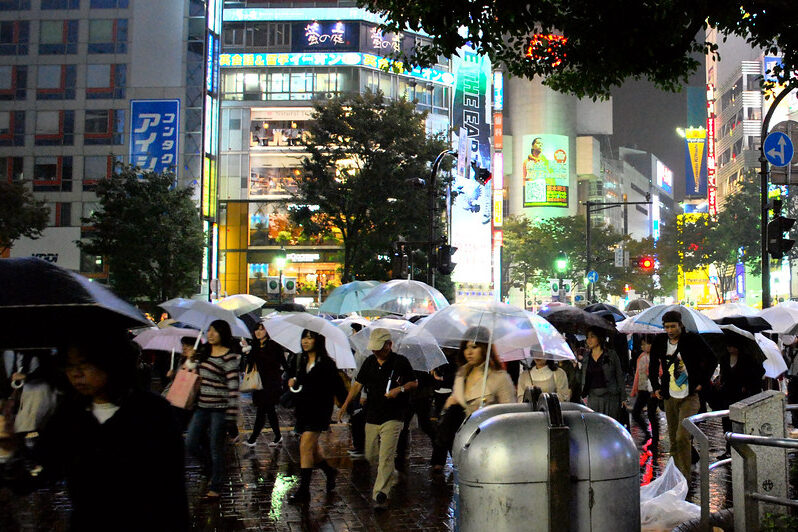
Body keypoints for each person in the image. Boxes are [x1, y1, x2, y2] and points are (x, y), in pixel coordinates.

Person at [35, 331, 189, 531]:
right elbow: (43, 472)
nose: (76, 373)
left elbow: (172, 488)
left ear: (110, 362)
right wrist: (8, 451)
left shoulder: (153, 412)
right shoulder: (68, 414)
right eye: (70, 365)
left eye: (84, 364)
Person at [338, 328, 417, 509]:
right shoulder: (369, 362)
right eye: (374, 348)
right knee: (372, 453)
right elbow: (358, 384)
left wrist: (400, 389)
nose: (376, 352)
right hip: (372, 414)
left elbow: (414, 382)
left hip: (394, 416)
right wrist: (345, 405)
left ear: (389, 345)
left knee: (386, 455)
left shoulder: (400, 361)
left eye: (380, 348)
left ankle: (380, 494)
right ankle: (390, 474)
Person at [430, 327, 515, 472]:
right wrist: (451, 404)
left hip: (489, 442)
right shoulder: (462, 373)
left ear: (484, 348)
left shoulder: (499, 377)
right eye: (466, 347)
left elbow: (509, 413)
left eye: (474, 347)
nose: (469, 352)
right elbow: (457, 400)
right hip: (463, 441)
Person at [649, 310, 717, 479]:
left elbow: (712, 358)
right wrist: (656, 387)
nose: (670, 330)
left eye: (673, 326)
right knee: (673, 439)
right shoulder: (659, 341)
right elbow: (652, 364)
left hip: (689, 395)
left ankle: (685, 476)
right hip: (669, 395)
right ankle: (675, 475)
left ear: (680, 325)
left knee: (682, 436)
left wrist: (702, 382)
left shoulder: (692, 339)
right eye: (666, 327)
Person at [285, 330, 347, 504]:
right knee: (313, 450)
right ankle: (329, 471)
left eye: (310, 338)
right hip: (303, 410)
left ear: (317, 341)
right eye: (304, 337)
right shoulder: (300, 360)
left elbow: (337, 385)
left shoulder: (326, 363)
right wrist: (292, 381)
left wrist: (346, 406)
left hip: (319, 410)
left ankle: (304, 491)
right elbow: (295, 380)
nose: (305, 341)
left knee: (305, 445)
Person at [186, 320, 240, 500]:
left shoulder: (229, 357)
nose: (210, 334)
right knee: (191, 442)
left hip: (220, 409)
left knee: (216, 447)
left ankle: (216, 485)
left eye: (215, 331)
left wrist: (231, 415)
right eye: (209, 330)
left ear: (222, 334)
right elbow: (191, 373)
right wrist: (191, 359)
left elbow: (233, 387)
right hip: (201, 406)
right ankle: (210, 468)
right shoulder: (203, 352)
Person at [711, 336, 765, 459]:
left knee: (739, 421)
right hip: (726, 393)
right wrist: (720, 380)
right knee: (726, 421)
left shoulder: (747, 359)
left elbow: (757, 373)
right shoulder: (724, 358)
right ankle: (728, 448)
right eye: (728, 346)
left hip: (740, 394)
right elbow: (723, 373)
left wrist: (747, 385)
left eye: (732, 346)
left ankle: (740, 448)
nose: (730, 349)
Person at [243, 323, 287, 448]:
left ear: (267, 332)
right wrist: (247, 353)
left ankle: (252, 439)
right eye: (256, 329)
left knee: (262, 411)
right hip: (258, 384)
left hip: (271, 384)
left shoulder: (274, 346)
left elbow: (283, 364)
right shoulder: (254, 346)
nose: (258, 332)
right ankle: (277, 436)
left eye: (262, 330)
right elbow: (250, 365)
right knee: (269, 411)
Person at [579, 326, 625, 424]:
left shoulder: (611, 355)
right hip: (593, 398)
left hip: (610, 397)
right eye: (587, 337)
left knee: (610, 426)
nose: (589, 340)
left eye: (592, 337)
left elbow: (619, 376)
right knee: (595, 426)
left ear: (599, 338)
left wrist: (623, 397)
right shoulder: (586, 358)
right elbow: (584, 377)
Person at [628, 335, 660, 446]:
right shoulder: (641, 357)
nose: (643, 346)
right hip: (642, 389)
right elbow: (637, 374)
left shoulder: (657, 357)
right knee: (636, 412)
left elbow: (660, 373)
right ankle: (647, 432)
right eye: (642, 344)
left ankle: (655, 439)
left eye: (645, 344)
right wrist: (634, 389)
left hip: (653, 391)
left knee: (652, 414)